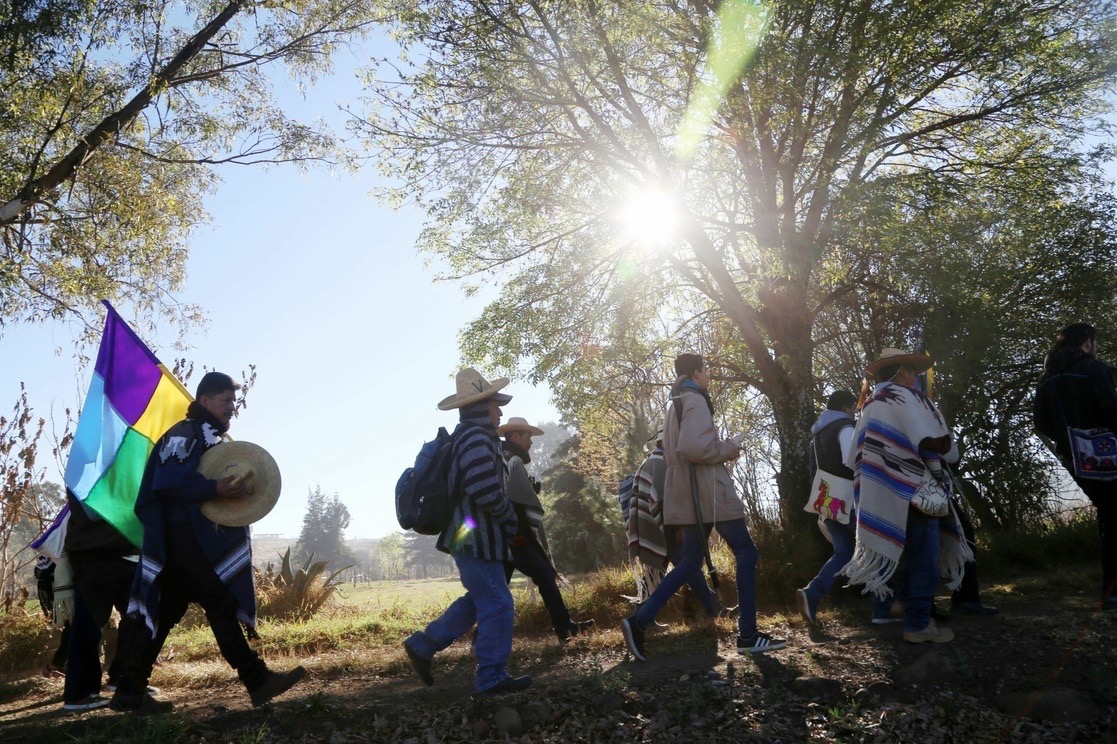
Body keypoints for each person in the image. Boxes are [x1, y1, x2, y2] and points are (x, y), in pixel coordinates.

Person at [110, 372, 305, 712]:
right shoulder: (184, 434)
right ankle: (257, 679)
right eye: (225, 400)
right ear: (204, 401)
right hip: (181, 537)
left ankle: (129, 690)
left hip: (186, 541)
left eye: (233, 400)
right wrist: (215, 489)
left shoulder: (210, 438)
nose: (232, 407)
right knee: (219, 601)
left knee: (167, 609)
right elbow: (167, 485)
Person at [621, 353, 787, 660]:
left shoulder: (676, 402)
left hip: (687, 493)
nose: (709, 374)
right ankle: (748, 635)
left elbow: (683, 447)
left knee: (688, 563)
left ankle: (639, 621)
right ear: (696, 372)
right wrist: (729, 448)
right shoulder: (695, 399)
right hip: (708, 492)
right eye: (706, 369)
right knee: (747, 552)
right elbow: (694, 448)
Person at [403, 368, 531, 696]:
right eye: (495, 405)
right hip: (473, 531)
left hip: (467, 531)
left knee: (481, 597)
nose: (500, 411)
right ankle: (490, 677)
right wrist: (508, 519)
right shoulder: (475, 437)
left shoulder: (471, 436)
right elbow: (483, 488)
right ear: (480, 407)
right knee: (498, 603)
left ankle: (423, 645)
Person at [839, 349, 972, 643]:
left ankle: (902, 598)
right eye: (913, 371)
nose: (916, 377)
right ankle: (918, 624)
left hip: (886, 491)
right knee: (926, 555)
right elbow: (940, 444)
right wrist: (945, 455)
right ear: (902, 373)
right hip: (916, 490)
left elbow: (857, 457)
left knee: (910, 552)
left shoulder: (872, 405)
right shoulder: (909, 399)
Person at [1034, 323, 1117, 612]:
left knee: (1109, 513)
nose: (1097, 348)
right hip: (1108, 453)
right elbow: (1111, 410)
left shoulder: (1046, 380)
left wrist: (1071, 439)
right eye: (1095, 342)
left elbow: (1040, 423)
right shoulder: (1094, 370)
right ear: (1086, 343)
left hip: (1073, 457)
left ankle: (1111, 592)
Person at [796, 390, 896, 628]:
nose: (854, 412)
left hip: (829, 502)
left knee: (844, 553)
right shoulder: (845, 428)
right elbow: (853, 460)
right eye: (853, 407)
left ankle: (812, 594)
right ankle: (882, 610)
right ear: (847, 407)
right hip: (851, 501)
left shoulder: (817, 434)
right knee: (877, 549)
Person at [499, 416, 595, 643]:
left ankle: (477, 638)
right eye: (527, 437)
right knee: (543, 574)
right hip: (517, 535)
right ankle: (565, 627)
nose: (531, 443)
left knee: (496, 587)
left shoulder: (502, 458)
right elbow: (516, 500)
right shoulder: (512, 461)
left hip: (506, 534)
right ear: (514, 437)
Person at [628, 427, 724, 617]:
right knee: (690, 568)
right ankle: (715, 610)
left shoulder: (655, 462)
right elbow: (664, 502)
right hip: (665, 528)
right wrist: (678, 529)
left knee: (659, 571)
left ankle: (639, 617)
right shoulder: (660, 464)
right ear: (665, 442)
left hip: (656, 527)